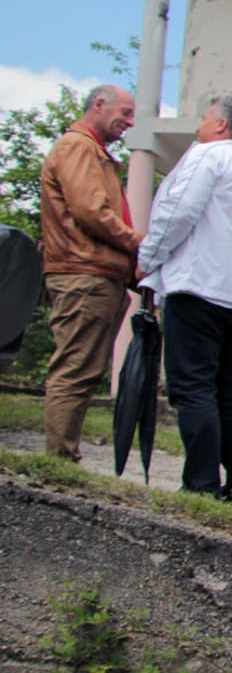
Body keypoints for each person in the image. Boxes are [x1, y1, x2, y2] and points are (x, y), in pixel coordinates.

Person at [137, 96, 232, 505]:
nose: (198, 125)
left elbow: (177, 213)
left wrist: (146, 260)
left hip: (200, 288)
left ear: (220, 125)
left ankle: (200, 483)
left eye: (203, 117)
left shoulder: (208, 157)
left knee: (193, 387)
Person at [38, 85, 141, 462]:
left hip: (97, 274)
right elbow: (90, 212)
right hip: (84, 275)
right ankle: (60, 460)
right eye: (125, 113)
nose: (129, 123)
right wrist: (137, 242)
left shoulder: (92, 151)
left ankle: (64, 454)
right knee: (76, 368)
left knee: (84, 367)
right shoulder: (79, 147)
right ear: (98, 105)